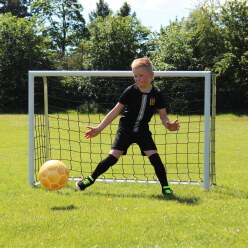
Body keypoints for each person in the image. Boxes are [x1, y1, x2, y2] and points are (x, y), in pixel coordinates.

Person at [76, 58, 180, 196]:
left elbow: (163, 116)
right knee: (112, 158)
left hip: (143, 131)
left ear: (151, 75)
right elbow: (115, 111)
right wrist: (99, 128)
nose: (138, 78)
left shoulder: (157, 94)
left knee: (155, 159)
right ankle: (90, 179)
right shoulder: (130, 91)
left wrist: (168, 125)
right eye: (135, 76)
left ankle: (166, 188)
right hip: (125, 130)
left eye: (141, 75)